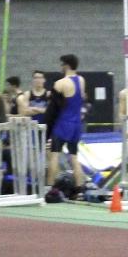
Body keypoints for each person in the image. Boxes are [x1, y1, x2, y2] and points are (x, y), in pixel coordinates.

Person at [47, 54, 86, 188]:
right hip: (76, 125)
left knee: (54, 156)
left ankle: (49, 188)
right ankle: (80, 188)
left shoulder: (60, 83)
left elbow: (53, 110)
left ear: (66, 65)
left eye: (62, 65)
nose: (61, 67)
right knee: (74, 157)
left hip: (63, 124)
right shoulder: (81, 80)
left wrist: (48, 130)